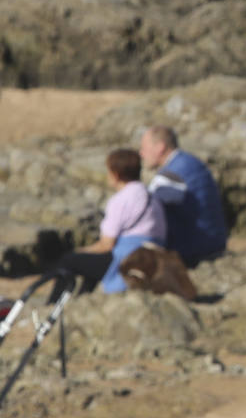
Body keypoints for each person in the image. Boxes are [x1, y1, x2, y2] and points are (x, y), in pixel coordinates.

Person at [57, 148, 166, 294]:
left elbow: (106, 245)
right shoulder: (153, 198)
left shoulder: (121, 200)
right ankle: (82, 299)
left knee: (68, 261)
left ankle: (52, 306)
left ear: (115, 175)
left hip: (127, 260)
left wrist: (79, 251)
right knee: (91, 265)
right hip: (153, 257)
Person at [139, 125, 228, 268]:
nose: (141, 153)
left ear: (160, 147)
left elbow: (149, 209)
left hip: (194, 249)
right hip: (212, 242)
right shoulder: (190, 162)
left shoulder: (174, 172)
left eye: (144, 147)